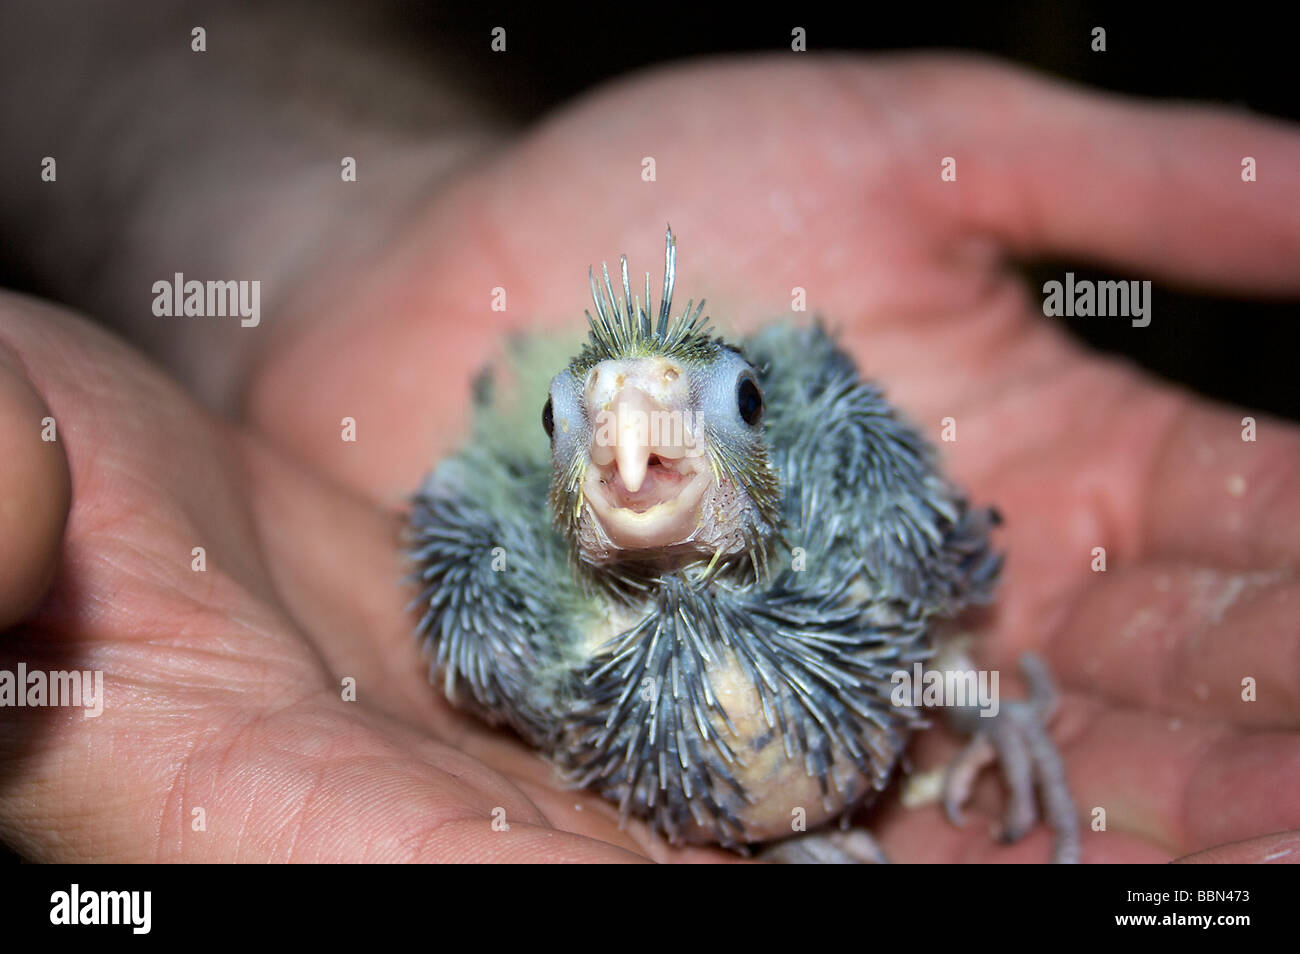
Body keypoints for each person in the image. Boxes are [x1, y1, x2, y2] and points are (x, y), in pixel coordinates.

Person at [0, 2, 1297, 862]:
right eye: (583, 425)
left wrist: (975, 697)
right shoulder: (526, 629)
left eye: (714, 407)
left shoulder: (861, 531)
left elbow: (920, 607)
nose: (628, 438)